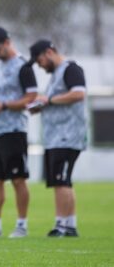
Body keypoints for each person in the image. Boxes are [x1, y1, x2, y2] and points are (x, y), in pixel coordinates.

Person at [0, 26, 37, 238]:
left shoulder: (23, 66)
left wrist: (2, 106)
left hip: (13, 130)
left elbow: (31, 98)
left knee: (18, 178)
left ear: (7, 42)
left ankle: (21, 224)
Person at [27, 39, 86, 237]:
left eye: (40, 60)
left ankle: (61, 225)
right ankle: (69, 225)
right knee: (63, 181)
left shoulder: (71, 69)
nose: (40, 65)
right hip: (56, 136)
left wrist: (49, 100)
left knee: (61, 181)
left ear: (49, 52)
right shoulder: (56, 75)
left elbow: (79, 94)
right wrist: (41, 106)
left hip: (67, 135)